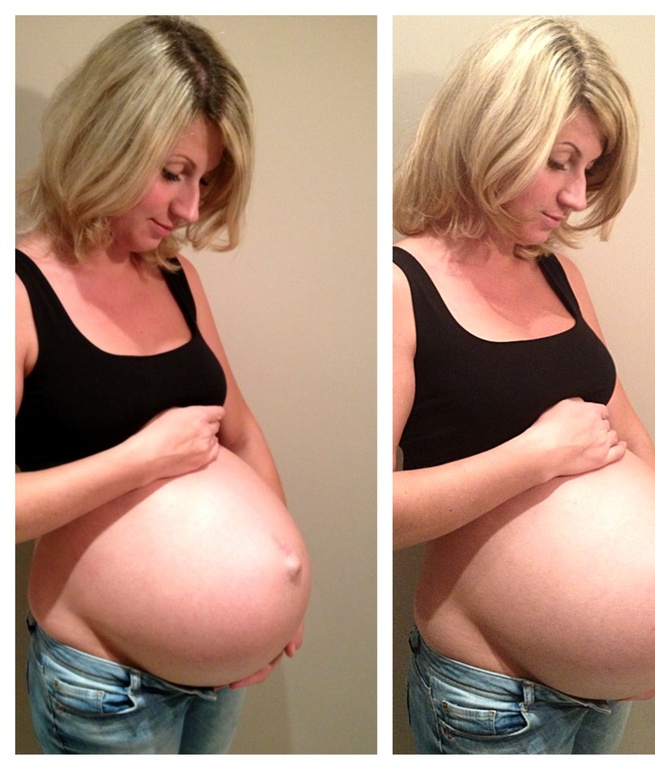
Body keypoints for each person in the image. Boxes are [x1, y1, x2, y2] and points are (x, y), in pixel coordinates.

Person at [393, 16, 655, 754]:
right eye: (559, 161)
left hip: (604, 695)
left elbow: (625, 429)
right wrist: (534, 456)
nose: (576, 196)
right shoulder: (401, 288)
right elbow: (381, 512)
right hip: (492, 700)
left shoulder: (560, 275)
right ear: (489, 133)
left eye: (589, 169)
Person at [16, 16, 310, 754]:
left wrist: (280, 592)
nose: (189, 209)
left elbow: (241, 430)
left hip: (221, 681)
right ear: (106, 140)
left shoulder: (176, 278)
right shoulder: (18, 292)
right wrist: (140, 459)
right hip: (103, 684)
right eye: (173, 172)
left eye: (203, 180)